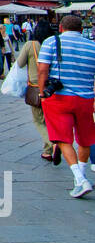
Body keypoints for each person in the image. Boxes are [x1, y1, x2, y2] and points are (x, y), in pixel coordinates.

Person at [37, 14, 95, 197]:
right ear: (81, 29)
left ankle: (80, 179)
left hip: (59, 98)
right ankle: (81, 177)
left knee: (63, 139)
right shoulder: (92, 46)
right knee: (85, 139)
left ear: (61, 28)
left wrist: (42, 92)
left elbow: (42, 69)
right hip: (85, 98)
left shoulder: (51, 42)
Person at [16, 20, 59, 164]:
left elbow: (20, 63)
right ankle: (47, 152)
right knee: (49, 120)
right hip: (53, 88)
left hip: (35, 87)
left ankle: (52, 143)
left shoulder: (31, 45)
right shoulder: (54, 44)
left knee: (38, 120)